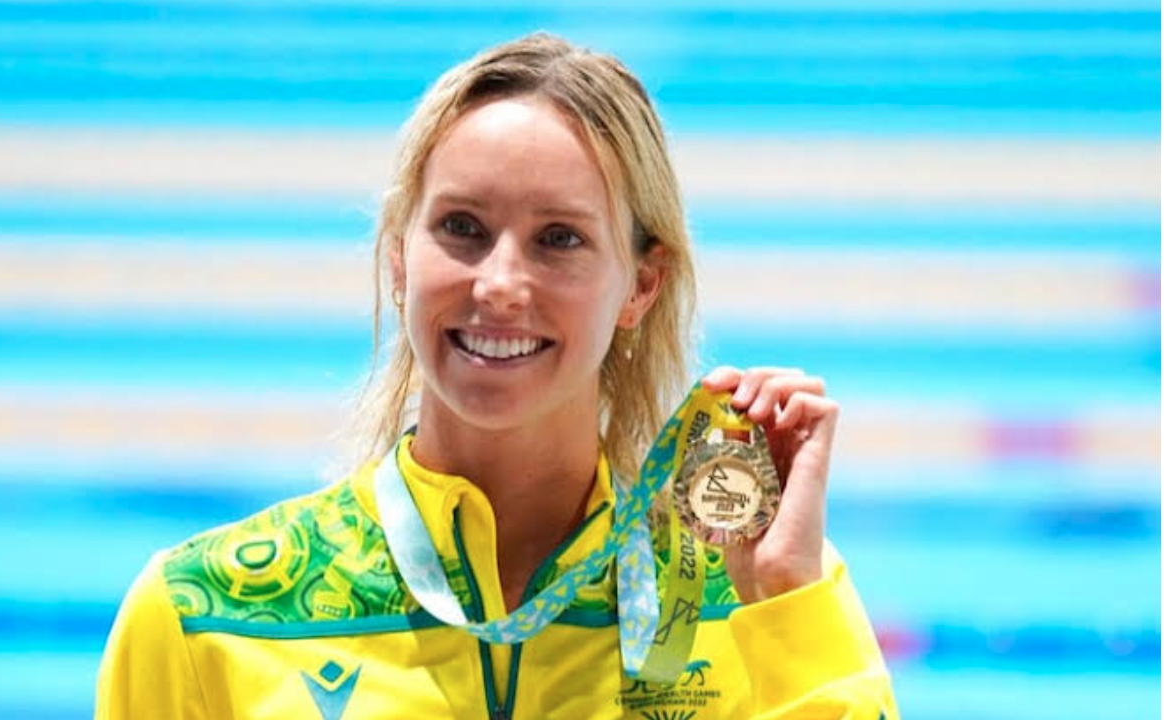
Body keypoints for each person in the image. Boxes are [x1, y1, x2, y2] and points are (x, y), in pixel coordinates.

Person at [95, 32, 899, 719]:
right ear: (399, 259)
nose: (500, 284)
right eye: (462, 227)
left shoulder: (753, 606)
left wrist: (786, 596)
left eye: (559, 239)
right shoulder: (206, 614)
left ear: (641, 286)